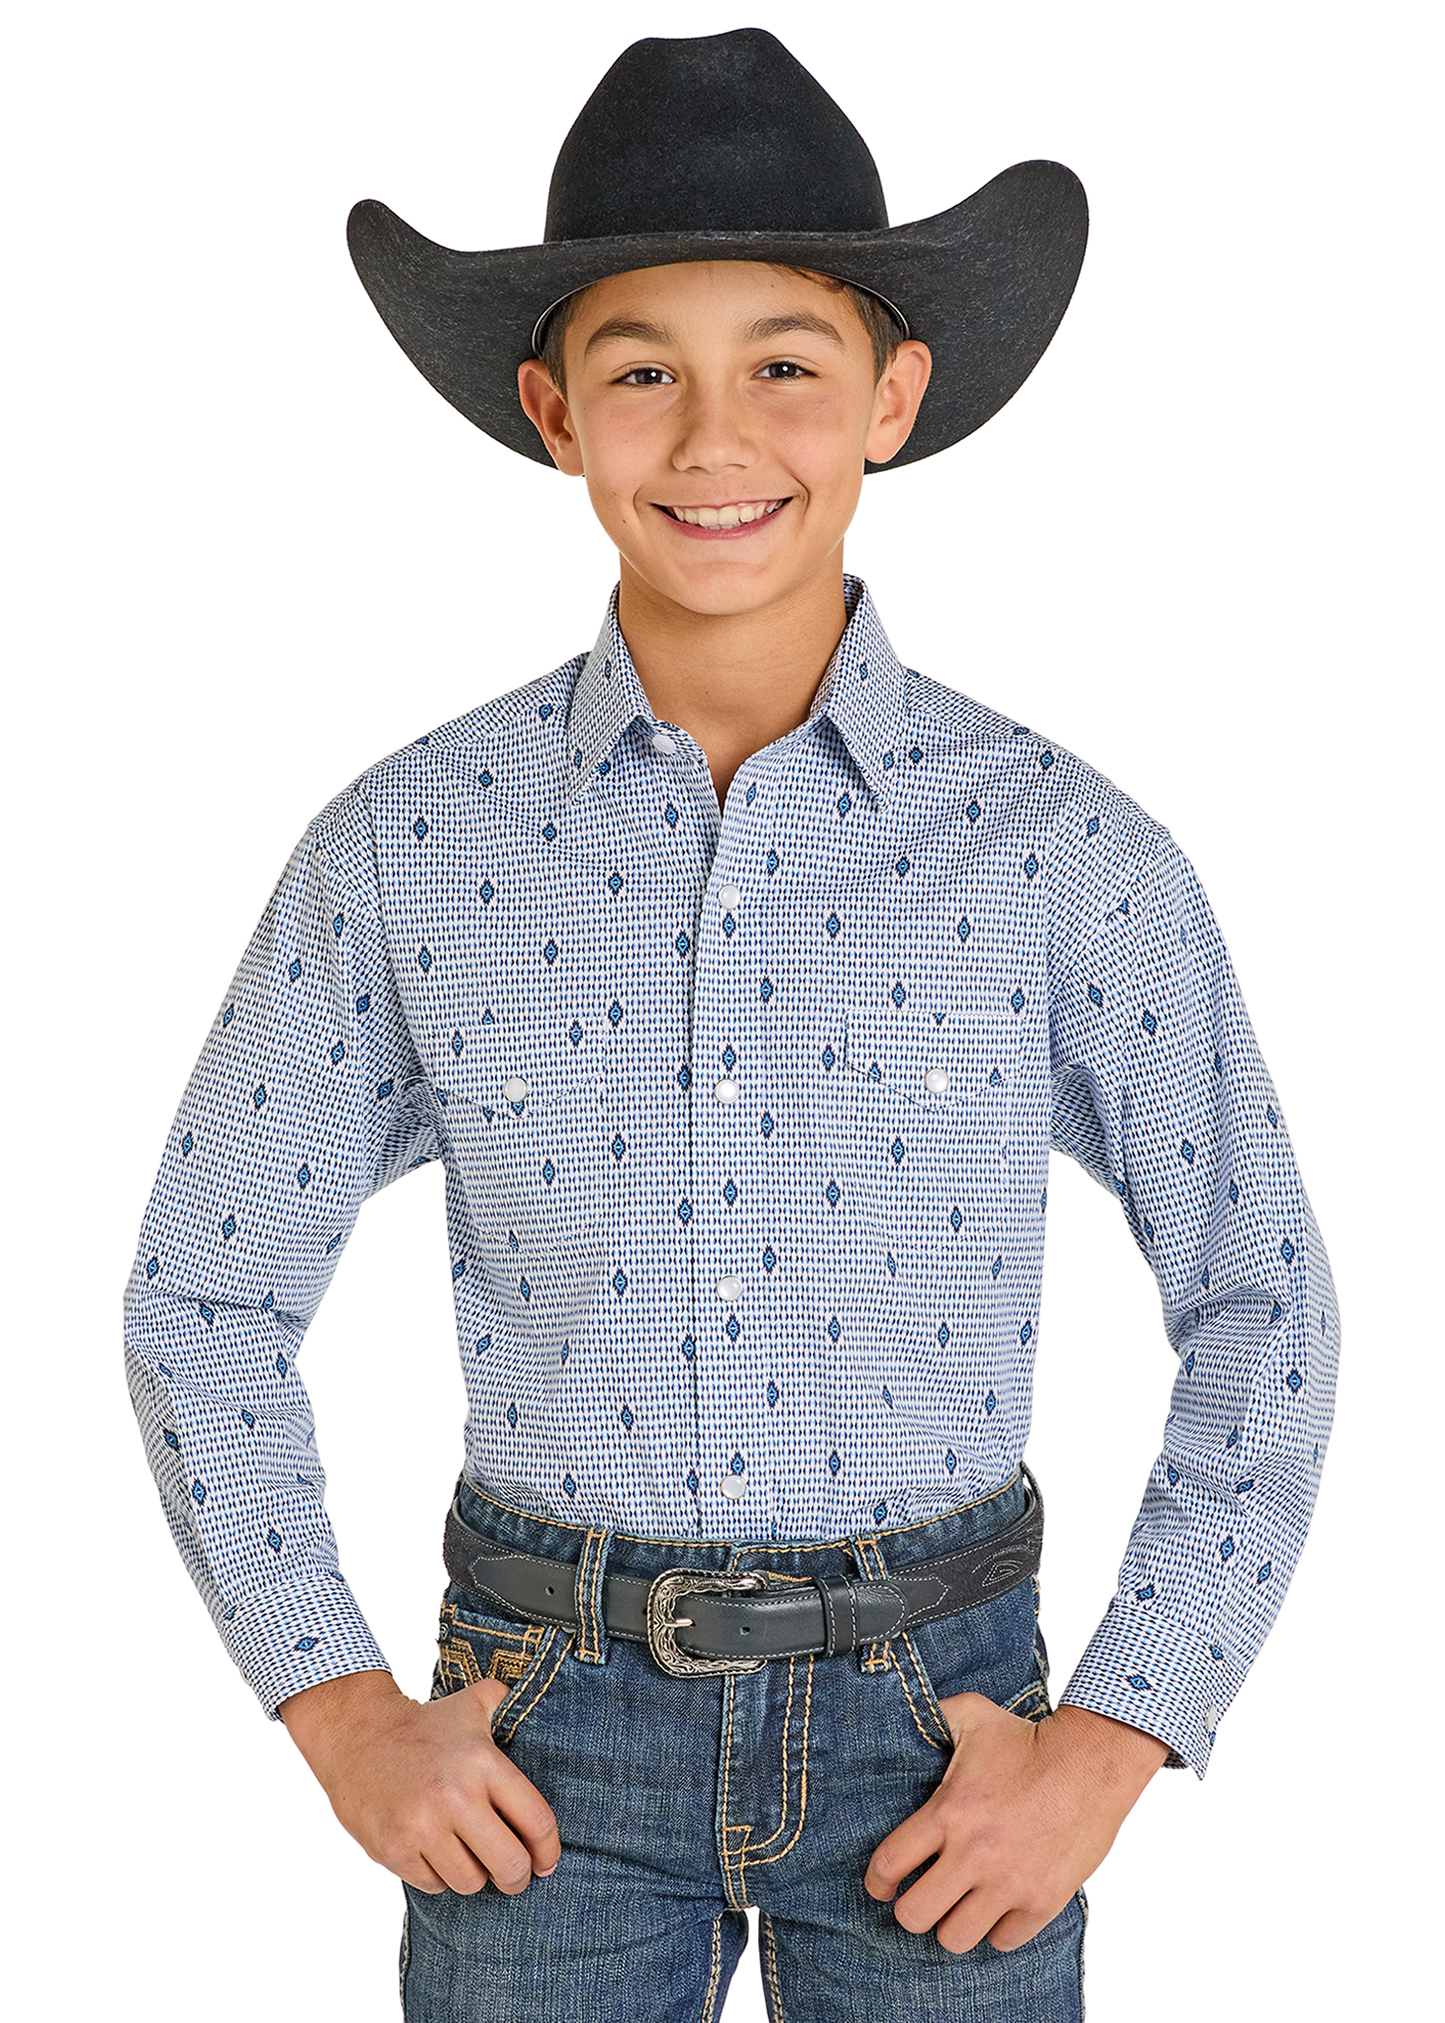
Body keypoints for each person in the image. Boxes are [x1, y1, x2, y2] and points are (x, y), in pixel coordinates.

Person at [119, 25, 1343, 2021]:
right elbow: (202, 1293)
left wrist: (1115, 1739)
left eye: (781, 363)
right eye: (640, 374)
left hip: (945, 1724)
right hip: (536, 1732)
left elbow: (1259, 1303)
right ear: (551, 415)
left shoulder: (1059, 847)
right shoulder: (405, 843)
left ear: (890, 398)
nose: (713, 440)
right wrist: (335, 1701)